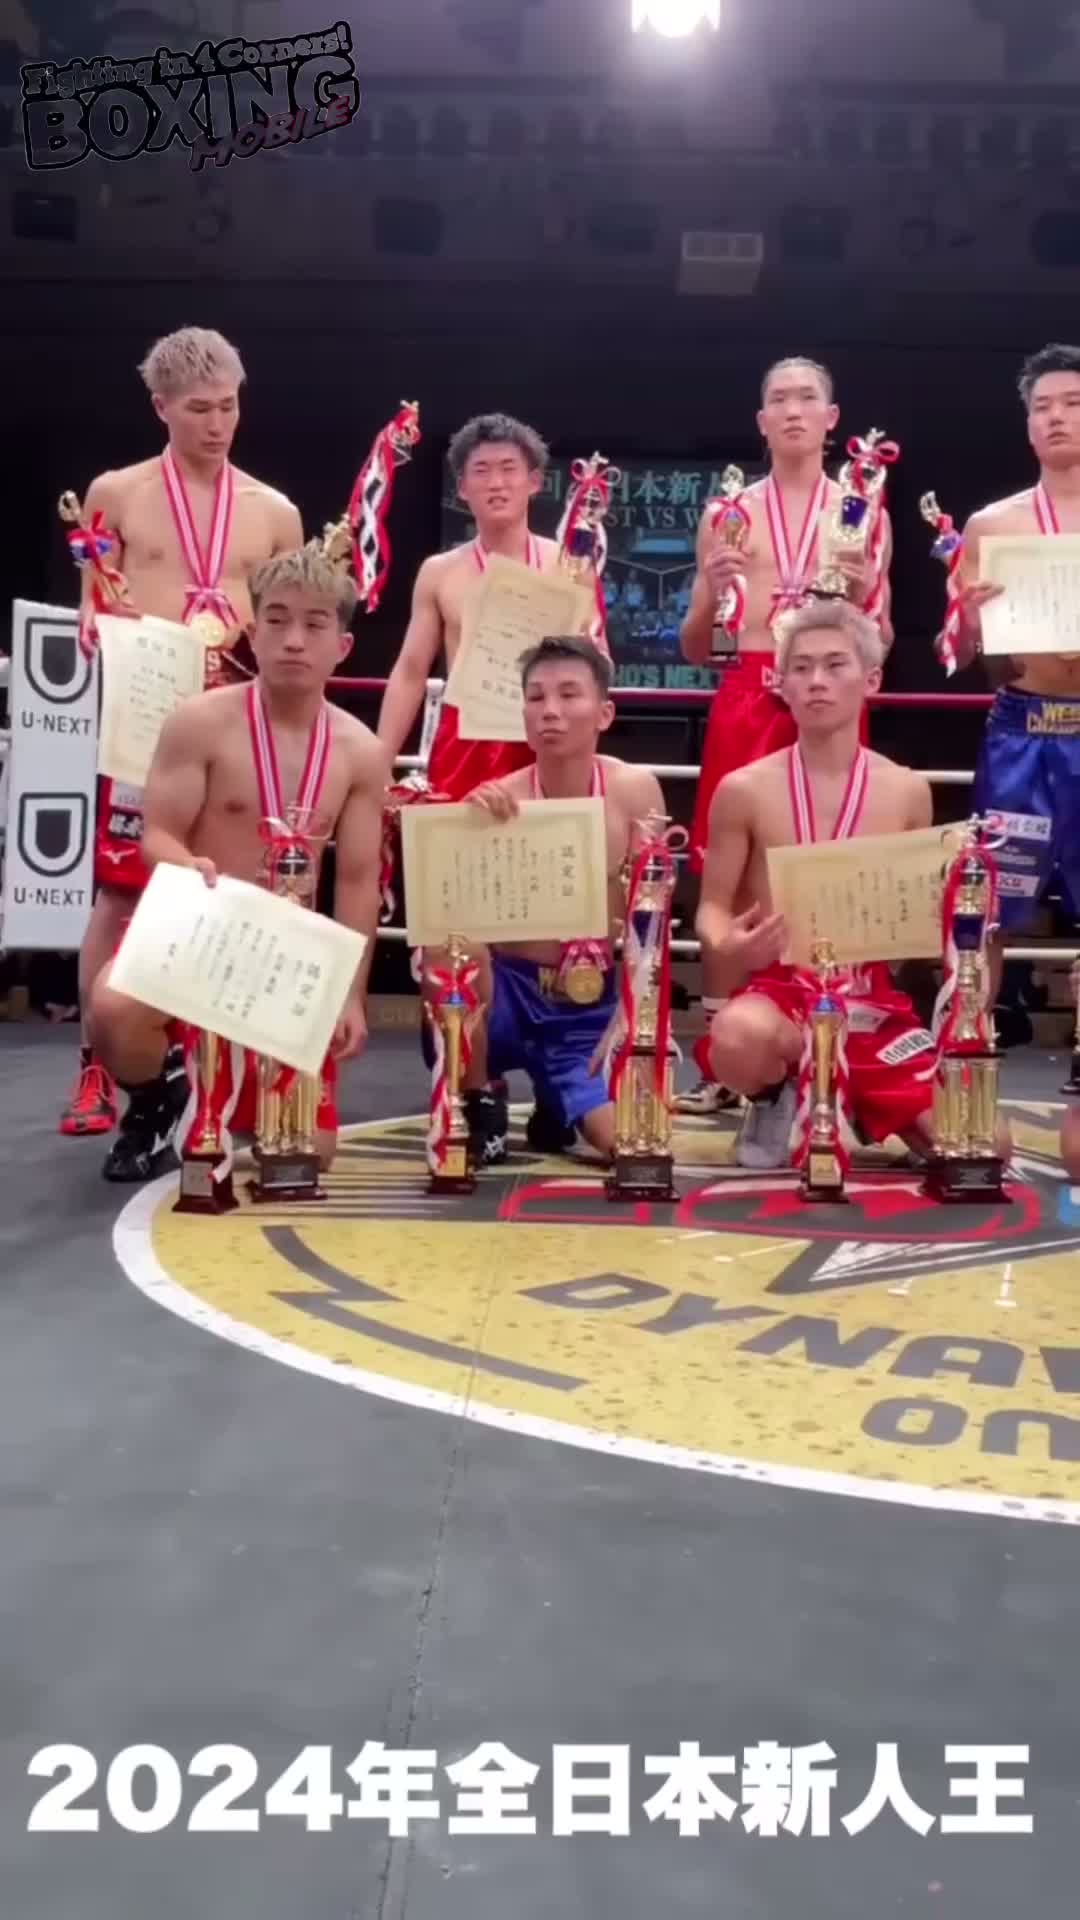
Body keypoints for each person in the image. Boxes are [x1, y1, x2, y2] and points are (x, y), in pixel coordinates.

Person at [61, 326, 304, 1170]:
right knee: (118, 893)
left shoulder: (274, 511)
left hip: (238, 725)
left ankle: (250, 1072)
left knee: (248, 885)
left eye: (229, 406)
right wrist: (99, 626)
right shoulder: (116, 492)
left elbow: (295, 623)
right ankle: (103, 1064)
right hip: (145, 717)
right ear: (161, 406)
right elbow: (93, 600)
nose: (217, 423)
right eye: (199, 409)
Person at [88, 543, 385, 1179]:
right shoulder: (198, 721)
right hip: (202, 929)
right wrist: (189, 867)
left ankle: (225, 1094)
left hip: (287, 953)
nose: (293, 640)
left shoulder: (361, 751)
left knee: (308, 1154)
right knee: (111, 1010)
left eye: (314, 624)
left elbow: (360, 881)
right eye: (276, 620)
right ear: (252, 633)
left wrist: (350, 995)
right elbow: (156, 835)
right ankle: (157, 1095)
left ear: (342, 646)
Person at [677, 356, 894, 1112]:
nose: (793, 410)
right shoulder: (727, 514)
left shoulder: (863, 512)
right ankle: (721, 1058)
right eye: (779, 399)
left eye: (807, 398)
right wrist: (713, 587)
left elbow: (880, 642)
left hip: (830, 689)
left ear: (831, 420)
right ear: (761, 421)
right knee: (727, 871)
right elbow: (700, 648)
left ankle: (840, 1030)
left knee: (839, 861)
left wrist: (861, 598)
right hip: (748, 687)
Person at [697, 600, 945, 1170]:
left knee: (979, 1147)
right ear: (779, 682)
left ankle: (856, 1098)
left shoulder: (908, 791)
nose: (816, 681)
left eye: (835, 665)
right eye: (801, 667)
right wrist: (729, 944)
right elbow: (711, 906)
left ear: (871, 678)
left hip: (870, 1003)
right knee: (737, 1036)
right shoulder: (743, 789)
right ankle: (776, 1093)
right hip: (781, 994)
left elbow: (916, 920)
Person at [425, 636, 665, 1165]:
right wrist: (467, 832)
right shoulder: (498, 797)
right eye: (536, 697)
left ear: (604, 713)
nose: (550, 710)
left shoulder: (634, 790)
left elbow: (652, 919)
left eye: (568, 695)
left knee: (631, 1147)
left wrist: (632, 1018)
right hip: (509, 994)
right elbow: (450, 910)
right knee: (448, 948)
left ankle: (559, 1106)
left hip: (589, 1006)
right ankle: (478, 1096)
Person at [945, 342, 1080, 1005]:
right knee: (988, 902)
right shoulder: (991, 525)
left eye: (1073, 404)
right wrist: (970, 621)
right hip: (1021, 727)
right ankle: (969, 1046)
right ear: (1028, 425)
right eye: (1043, 406)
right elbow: (963, 656)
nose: (1056, 417)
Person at [376, 412, 563, 798]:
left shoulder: (568, 565)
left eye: (508, 469)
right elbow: (411, 671)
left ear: (534, 482)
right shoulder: (439, 572)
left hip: (546, 731)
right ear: (462, 487)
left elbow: (596, 664)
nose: (496, 483)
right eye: (481, 470)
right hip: (464, 739)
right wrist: (379, 763)